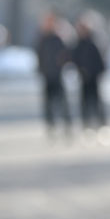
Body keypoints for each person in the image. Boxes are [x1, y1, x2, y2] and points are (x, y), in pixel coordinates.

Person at [34, 12, 72, 141]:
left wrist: (61, 64)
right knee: (48, 104)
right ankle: (51, 127)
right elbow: (39, 55)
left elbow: (66, 54)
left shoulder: (58, 39)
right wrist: (40, 69)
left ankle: (67, 126)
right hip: (47, 75)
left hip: (57, 75)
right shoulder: (42, 39)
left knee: (62, 103)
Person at [71, 17, 110, 141]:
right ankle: (87, 127)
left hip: (94, 77)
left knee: (97, 103)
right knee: (85, 104)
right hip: (83, 78)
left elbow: (100, 60)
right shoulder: (78, 44)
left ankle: (102, 126)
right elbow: (74, 58)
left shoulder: (94, 42)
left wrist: (98, 72)